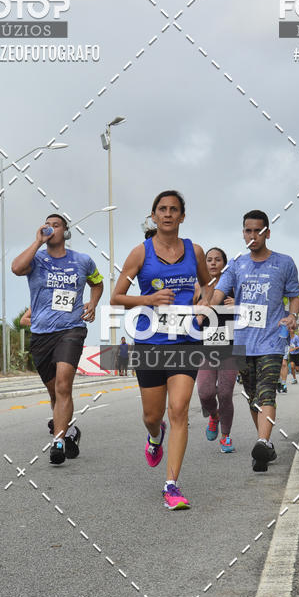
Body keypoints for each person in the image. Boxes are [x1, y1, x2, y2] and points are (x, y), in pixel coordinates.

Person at [111, 189, 212, 509]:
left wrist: (202, 305)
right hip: (150, 341)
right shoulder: (140, 254)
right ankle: (155, 436)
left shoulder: (195, 251)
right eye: (162, 209)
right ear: (153, 216)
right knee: (152, 415)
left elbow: (208, 284)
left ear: (182, 216)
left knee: (180, 409)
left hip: (186, 340)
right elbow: (117, 296)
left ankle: (172, 485)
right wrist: (148, 300)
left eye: (174, 209)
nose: (167, 214)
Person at [210, 210, 299, 472]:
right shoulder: (236, 265)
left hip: (272, 341)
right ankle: (264, 446)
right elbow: (218, 295)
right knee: (252, 397)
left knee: (266, 391)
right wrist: (203, 309)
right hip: (242, 342)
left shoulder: (284, 263)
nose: (252, 236)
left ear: (267, 233)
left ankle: (262, 440)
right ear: (243, 233)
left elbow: (294, 296)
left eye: (257, 231)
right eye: (248, 231)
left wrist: (292, 315)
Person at [11, 213, 104, 465]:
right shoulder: (36, 259)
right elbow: (16, 268)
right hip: (41, 334)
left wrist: (93, 304)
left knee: (64, 385)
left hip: (71, 329)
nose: (51, 228)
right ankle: (70, 430)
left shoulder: (83, 261)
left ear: (66, 231)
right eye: (47, 225)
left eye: (56, 225)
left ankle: (59, 441)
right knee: (55, 393)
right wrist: (37, 242)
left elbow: (97, 283)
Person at [195, 247, 237, 453]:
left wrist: (237, 306)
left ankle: (226, 436)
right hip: (206, 347)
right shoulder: (198, 287)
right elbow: (186, 312)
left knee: (226, 393)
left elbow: (250, 309)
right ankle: (214, 415)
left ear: (224, 263)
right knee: (205, 392)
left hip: (230, 346)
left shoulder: (233, 286)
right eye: (209, 260)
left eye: (217, 260)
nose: (212, 263)